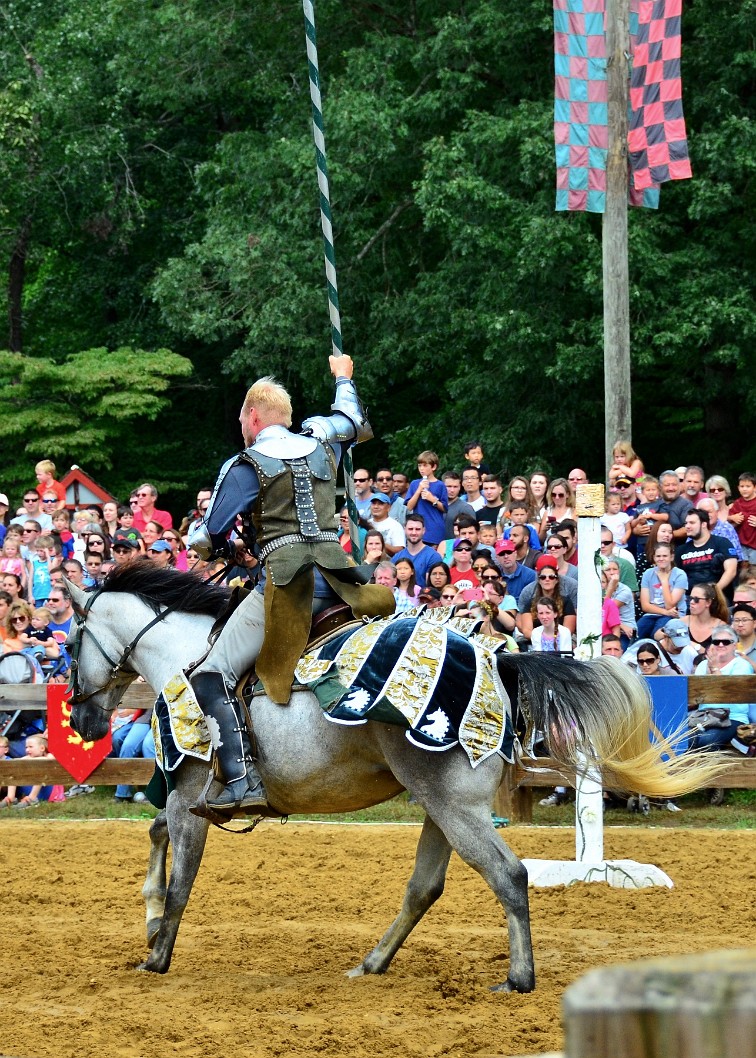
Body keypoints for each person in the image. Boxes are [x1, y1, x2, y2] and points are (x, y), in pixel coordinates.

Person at [187, 356, 394, 815]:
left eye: (242, 417)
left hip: (286, 587)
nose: (241, 425)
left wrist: (219, 550)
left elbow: (206, 535)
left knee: (209, 673)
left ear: (253, 415)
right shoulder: (321, 442)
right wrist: (343, 376)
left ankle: (242, 780)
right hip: (342, 582)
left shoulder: (244, 464)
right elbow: (352, 421)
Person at [690, 626, 754, 750]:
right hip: (704, 716)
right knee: (685, 739)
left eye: (725, 642)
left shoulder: (742, 665)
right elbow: (697, 693)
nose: (720, 645)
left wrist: (714, 669)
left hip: (732, 717)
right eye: (716, 642)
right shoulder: (703, 665)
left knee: (706, 741)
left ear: (734, 645)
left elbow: (729, 692)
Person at [675, 509, 737, 600]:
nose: (687, 526)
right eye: (686, 523)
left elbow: (731, 571)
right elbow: (676, 578)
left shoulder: (722, 543)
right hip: (690, 599)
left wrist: (714, 592)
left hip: (718, 598)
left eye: (692, 523)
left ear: (703, 524)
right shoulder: (681, 549)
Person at [638, 542, 688, 640]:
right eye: (658, 556)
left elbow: (670, 605)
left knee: (657, 635)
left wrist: (664, 581)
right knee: (637, 633)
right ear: (654, 558)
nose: (661, 559)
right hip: (653, 613)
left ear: (672, 557)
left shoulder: (680, 575)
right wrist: (666, 612)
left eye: (665, 556)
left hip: (674, 616)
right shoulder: (648, 573)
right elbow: (645, 605)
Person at [404, 452, 448, 546]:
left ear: (433, 467)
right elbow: (409, 506)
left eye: (425, 465)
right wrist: (419, 489)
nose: (421, 469)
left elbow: (444, 508)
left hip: (434, 530)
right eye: (420, 466)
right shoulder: (414, 484)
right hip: (417, 529)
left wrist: (432, 499)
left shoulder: (440, 485)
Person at [392, 514, 441, 588]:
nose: (414, 533)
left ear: (423, 530)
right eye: (410, 529)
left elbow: (433, 587)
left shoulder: (433, 556)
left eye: (417, 529)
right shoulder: (397, 557)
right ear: (404, 530)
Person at [680, 582, 730, 651]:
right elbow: (660, 636)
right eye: (690, 598)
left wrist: (696, 646)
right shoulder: (683, 622)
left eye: (696, 599)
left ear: (708, 602)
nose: (691, 602)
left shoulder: (721, 627)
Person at [728, 471, 756, 563]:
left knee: (754, 568)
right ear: (738, 488)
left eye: (748, 486)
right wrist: (732, 518)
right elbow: (727, 518)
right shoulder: (737, 503)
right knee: (744, 568)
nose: (744, 489)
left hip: (754, 544)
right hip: (741, 543)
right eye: (742, 486)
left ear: (754, 487)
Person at [441, 471, 474, 536]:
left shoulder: (465, 508)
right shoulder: (435, 504)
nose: (452, 490)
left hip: (455, 545)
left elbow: (472, 533)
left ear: (460, 487)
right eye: (449, 486)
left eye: (455, 487)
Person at [731, 603, 756, 670]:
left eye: (744, 620)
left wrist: (748, 661)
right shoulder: (728, 646)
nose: (740, 624)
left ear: (754, 623)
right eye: (736, 620)